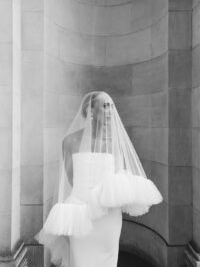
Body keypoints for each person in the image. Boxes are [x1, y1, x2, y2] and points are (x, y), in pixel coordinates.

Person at [35, 91, 163, 267]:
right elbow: (70, 179)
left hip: (107, 217)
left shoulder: (114, 143)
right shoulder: (70, 141)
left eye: (112, 106)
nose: (110, 110)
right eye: (105, 106)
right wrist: (87, 197)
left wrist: (103, 196)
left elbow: (119, 178)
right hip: (81, 213)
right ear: (91, 111)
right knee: (80, 260)